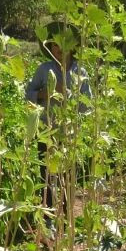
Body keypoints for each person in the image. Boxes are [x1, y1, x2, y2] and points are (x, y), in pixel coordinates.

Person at [25, 38, 91, 209]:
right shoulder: (44, 69)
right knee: (46, 173)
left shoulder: (80, 71)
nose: (60, 48)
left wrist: (67, 94)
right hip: (46, 129)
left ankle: (66, 213)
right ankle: (47, 215)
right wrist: (45, 94)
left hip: (70, 132)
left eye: (63, 44)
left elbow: (86, 104)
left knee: (68, 174)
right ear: (50, 48)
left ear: (72, 47)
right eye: (55, 45)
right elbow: (28, 94)